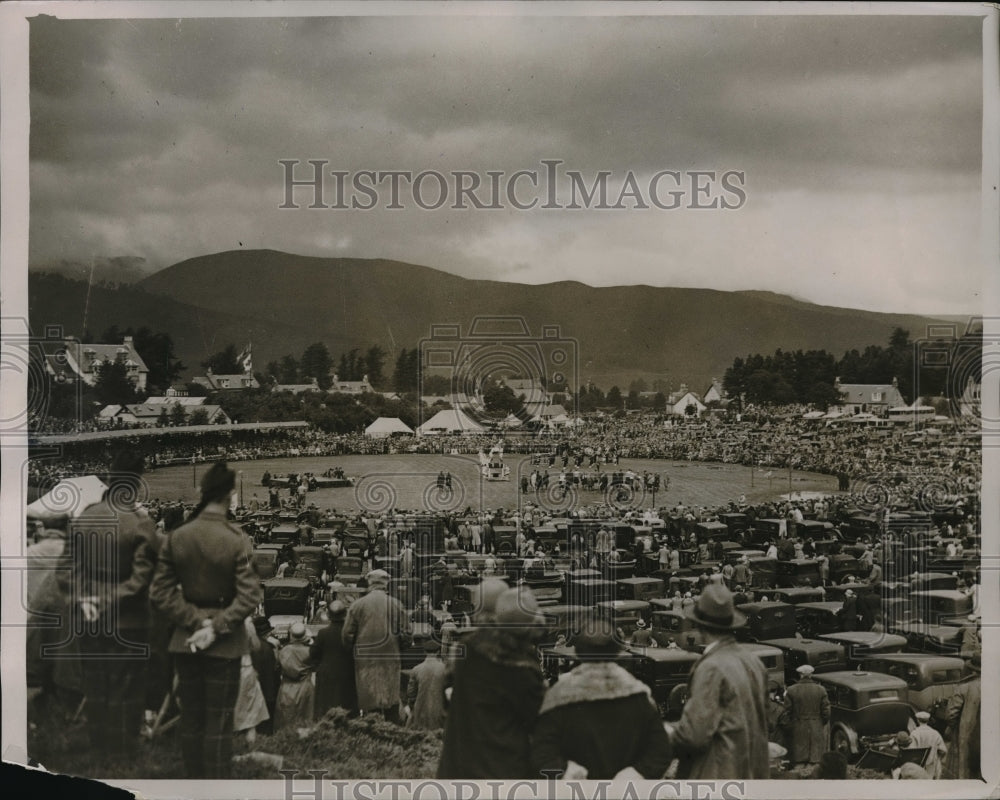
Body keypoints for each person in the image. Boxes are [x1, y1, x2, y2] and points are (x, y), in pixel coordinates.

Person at [150, 461, 263, 779]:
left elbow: (160, 593)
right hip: (224, 643)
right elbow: (250, 595)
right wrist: (214, 626)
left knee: (192, 718)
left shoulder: (178, 536)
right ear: (230, 495)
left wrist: (195, 622)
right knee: (219, 720)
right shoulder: (236, 538)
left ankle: (193, 784)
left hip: (185, 638)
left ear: (203, 492)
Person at [58, 449, 159, 760]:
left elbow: (65, 571)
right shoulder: (139, 523)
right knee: (127, 686)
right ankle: (122, 751)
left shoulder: (84, 517)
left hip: (89, 616)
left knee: (97, 682)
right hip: (127, 619)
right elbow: (142, 579)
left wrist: (85, 599)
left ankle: (99, 745)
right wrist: (106, 600)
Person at [531, 619, 672, 780]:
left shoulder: (558, 695)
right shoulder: (639, 696)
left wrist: (564, 770)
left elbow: (541, 753)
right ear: (618, 652)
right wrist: (638, 772)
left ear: (578, 652)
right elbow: (661, 751)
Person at [438, 585, 547, 778]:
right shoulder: (522, 668)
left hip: (458, 765)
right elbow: (539, 722)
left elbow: (447, 699)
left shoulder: (468, 648)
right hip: (501, 769)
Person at [665, 582, 770, 778]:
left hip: (718, 776)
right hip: (752, 775)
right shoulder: (753, 661)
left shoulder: (711, 667)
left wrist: (664, 732)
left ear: (698, 625)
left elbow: (694, 735)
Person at [342, 569, 411, 723]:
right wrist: (398, 648)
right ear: (387, 583)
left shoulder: (357, 605)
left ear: (369, 582)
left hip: (365, 661)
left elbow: (347, 635)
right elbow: (406, 635)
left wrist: (353, 649)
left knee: (369, 704)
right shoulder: (396, 605)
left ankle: (370, 736)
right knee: (391, 702)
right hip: (390, 660)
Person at [310, 600, 357, 719]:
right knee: (347, 708)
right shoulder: (352, 633)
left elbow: (313, 653)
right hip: (348, 674)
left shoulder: (323, 633)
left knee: (326, 708)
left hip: (327, 675)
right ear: (345, 614)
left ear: (329, 615)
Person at [781, 665, 830, 768]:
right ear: (811, 675)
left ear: (800, 675)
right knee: (815, 763)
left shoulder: (791, 690)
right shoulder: (821, 690)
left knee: (798, 763)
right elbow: (826, 712)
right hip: (816, 728)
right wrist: (819, 723)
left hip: (798, 729)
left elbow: (786, 713)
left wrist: (790, 727)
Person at [943, 653, 981, 779]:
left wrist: (953, 727)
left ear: (972, 669)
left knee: (964, 768)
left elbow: (951, 714)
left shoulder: (964, 687)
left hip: (966, 734)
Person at [275, 622, 316, 730]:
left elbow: (277, 667)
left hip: (287, 689)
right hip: (305, 688)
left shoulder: (284, 650)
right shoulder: (309, 651)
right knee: (305, 720)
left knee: (285, 721)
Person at [405, 639, 448, 731]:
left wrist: (412, 707)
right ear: (438, 651)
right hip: (440, 712)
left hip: (420, 712)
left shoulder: (416, 669)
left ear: (424, 651)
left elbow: (411, 693)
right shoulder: (444, 669)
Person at [249, 616, 281, 735]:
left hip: (253, 690)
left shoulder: (250, 646)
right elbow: (271, 673)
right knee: (265, 726)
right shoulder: (267, 648)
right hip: (266, 692)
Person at [909, 710, 947, 779]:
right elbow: (943, 750)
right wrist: (937, 757)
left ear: (918, 720)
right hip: (932, 766)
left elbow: (911, 751)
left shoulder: (914, 733)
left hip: (919, 766)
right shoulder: (935, 733)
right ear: (928, 721)